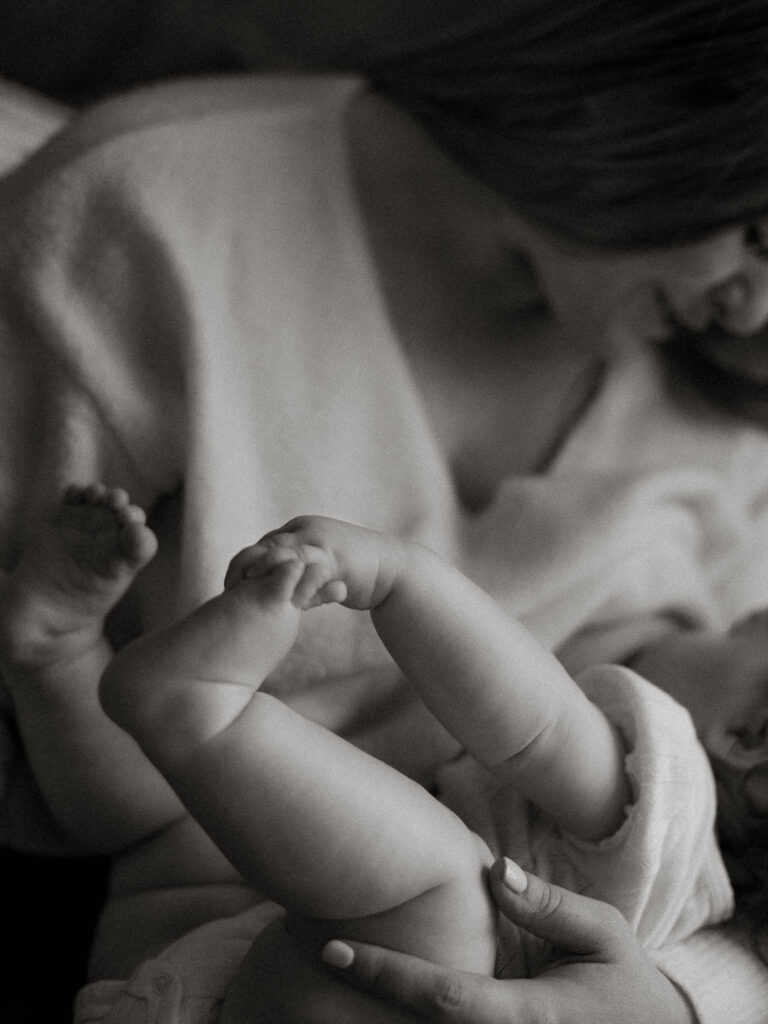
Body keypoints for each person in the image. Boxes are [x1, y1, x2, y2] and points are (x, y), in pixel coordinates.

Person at [2, 1, 768, 1020]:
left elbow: (732, 856)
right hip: (190, 903)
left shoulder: (714, 389)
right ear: (664, 88)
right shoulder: (145, 220)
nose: (756, 310)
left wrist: (684, 1004)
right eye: (756, 229)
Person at [0, 483, 748, 1023]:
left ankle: (197, 713)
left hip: (323, 984)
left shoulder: (672, 819)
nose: (732, 614)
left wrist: (399, 580)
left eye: (751, 630)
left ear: (750, 739)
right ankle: (57, 659)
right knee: (167, 815)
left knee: (444, 883)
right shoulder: (703, 954)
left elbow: (537, 724)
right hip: (180, 959)